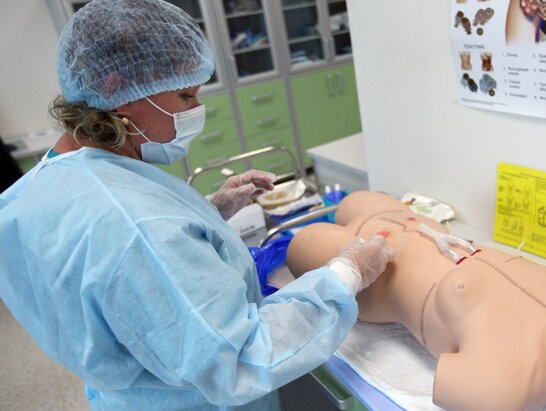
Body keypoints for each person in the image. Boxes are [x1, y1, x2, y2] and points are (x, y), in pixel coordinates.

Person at [0, 1, 393, 410]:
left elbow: (107, 274)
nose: (196, 110)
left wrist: (206, 212)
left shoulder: (33, 191)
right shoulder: (138, 228)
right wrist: (346, 274)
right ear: (116, 89)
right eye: (184, 95)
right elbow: (240, 359)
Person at [286, 191, 546, 411]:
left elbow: (455, 389)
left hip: (381, 278)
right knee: (355, 201)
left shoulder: (515, 379)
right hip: (414, 223)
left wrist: (350, 269)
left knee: (303, 244)